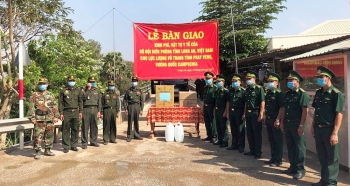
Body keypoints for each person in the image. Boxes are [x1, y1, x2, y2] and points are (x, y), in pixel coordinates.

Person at [311, 66, 344, 186]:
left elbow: (339, 114)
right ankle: (323, 180)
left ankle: (331, 183)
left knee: (332, 158)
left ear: (328, 78)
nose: (318, 79)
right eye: (318, 77)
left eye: (321, 77)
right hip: (319, 129)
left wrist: (335, 133)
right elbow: (317, 111)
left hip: (330, 130)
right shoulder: (319, 92)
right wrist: (312, 126)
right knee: (322, 157)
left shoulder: (336, 94)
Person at [280, 70, 309, 180]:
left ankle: (300, 170)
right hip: (287, 123)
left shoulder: (302, 94)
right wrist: (282, 122)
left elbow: (304, 111)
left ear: (297, 81)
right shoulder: (287, 94)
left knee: (299, 148)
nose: (289, 82)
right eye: (288, 80)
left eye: (291, 80)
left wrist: (301, 126)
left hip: (297, 124)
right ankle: (292, 167)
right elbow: (284, 109)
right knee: (290, 146)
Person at [27, 78, 60, 159]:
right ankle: (38, 151)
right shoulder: (34, 95)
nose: (42, 85)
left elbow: (54, 106)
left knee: (49, 135)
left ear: (47, 85)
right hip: (39, 119)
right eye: (40, 84)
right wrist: (32, 118)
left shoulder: (51, 95)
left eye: (44, 84)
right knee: (38, 136)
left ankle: (47, 150)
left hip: (49, 118)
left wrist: (56, 116)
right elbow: (31, 107)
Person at [243, 70, 265, 159]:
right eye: (247, 79)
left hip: (255, 112)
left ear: (254, 79)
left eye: (250, 78)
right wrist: (244, 113)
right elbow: (246, 102)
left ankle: (258, 152)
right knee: (249, 132)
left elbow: (262, 101)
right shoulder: (247, 89)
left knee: (256, 133)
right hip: (248, 113)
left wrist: (261, 113)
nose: (248, 80)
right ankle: (252, 149)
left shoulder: (259, 88)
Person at [264, 72, 284, 167]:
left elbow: (282, 108)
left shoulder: (279, 94)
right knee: (271, 140)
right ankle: (273, 158)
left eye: (272, 81)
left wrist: (278, 120)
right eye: (269, 81)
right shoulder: (268, 93)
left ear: (277, 83)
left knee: (278, 140)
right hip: (268, 118)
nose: (269, 83)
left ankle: (278, 160)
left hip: (275, 119)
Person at [59, 75, 83, 153]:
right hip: (66, 112)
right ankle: (66, 146)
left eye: (73, 81)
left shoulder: (78, 90)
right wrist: (61, 113)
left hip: (75, 111)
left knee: (75, 129)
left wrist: (80, 112)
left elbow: (80, 101)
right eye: (70, 81)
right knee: (65, 129)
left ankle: (74, 145)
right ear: (68, 81)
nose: (72, 82)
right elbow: (60, 102)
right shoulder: (63, 90)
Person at [226, 73, 246, 153]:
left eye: (236, 81)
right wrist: (227, 112)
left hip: (239, 111)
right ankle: (234, 144)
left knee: (240, 129)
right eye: (233, 81)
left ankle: (241, 146)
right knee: (233, 129)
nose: (234, 82)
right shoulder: (230, 91)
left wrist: (244, 113)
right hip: (232, 111)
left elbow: (245, 103)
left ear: (240, 82)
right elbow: (228, 102)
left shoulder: (243, 91)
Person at [82, 76, 102, 148]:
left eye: (93, 82)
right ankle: (84, 142)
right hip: (86, 109)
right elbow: (82, 98)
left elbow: (99, 101)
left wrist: (99, 111)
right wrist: (88, 89)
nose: (92, 83)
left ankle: (93, 141)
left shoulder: (97, 90)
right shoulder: (83, 90)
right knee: (85, 126)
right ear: (88, 82)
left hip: (95, 109)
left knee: (94, 126)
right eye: (91, 82)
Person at [123, 77, 144, 142]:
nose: (134, 82)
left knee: (136, 121)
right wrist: (126, 108)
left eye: (135, 81)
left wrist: (141, 109)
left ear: (137, 82)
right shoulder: (128, 91)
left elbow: (142, 100)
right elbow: (125, 100)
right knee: (130, 122)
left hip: (137, 107)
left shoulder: (139, 91)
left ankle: (136, 135)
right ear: (131, 82)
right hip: (130, 106)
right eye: (133, 81)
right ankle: (129, 136)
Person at [101, 80, 120, 145]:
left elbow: (117, 103)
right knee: (106, 125)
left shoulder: (115, 94)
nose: (112, 87)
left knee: (113, 125)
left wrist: (117, 112)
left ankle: (112, 138)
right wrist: (101, 112)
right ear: (108, 86)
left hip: (114, 110)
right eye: (110, 85)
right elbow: (101, 104)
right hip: (107, 110)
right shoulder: (104, 94)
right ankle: (105, 139)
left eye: (113, 86)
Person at [213, 75, 229, 147]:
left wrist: (226, 111)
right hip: (217, 109)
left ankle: (225, 141)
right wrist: (214, 109)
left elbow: (227, 102)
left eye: (220, 82)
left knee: (223, 126)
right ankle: (220, 139)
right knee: (218, 125)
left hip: (223, 109)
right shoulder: (217, 91)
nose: (218, 83)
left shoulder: (226, 91)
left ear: (223, 82)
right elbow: (216, 101)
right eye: (217, 82)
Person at [201, 72, 217, 143]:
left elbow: (216, 100)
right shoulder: (206, 88)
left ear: (212, 79)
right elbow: (204, 98)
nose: (207, 80)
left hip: (212, 106)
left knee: (212, 122)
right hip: (206, 106)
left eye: (209, 78)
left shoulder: (215, 88)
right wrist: (203, 107)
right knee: (207, 122)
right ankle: (209, 135)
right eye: (206, 78)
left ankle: (214, 136)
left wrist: (214, 109)